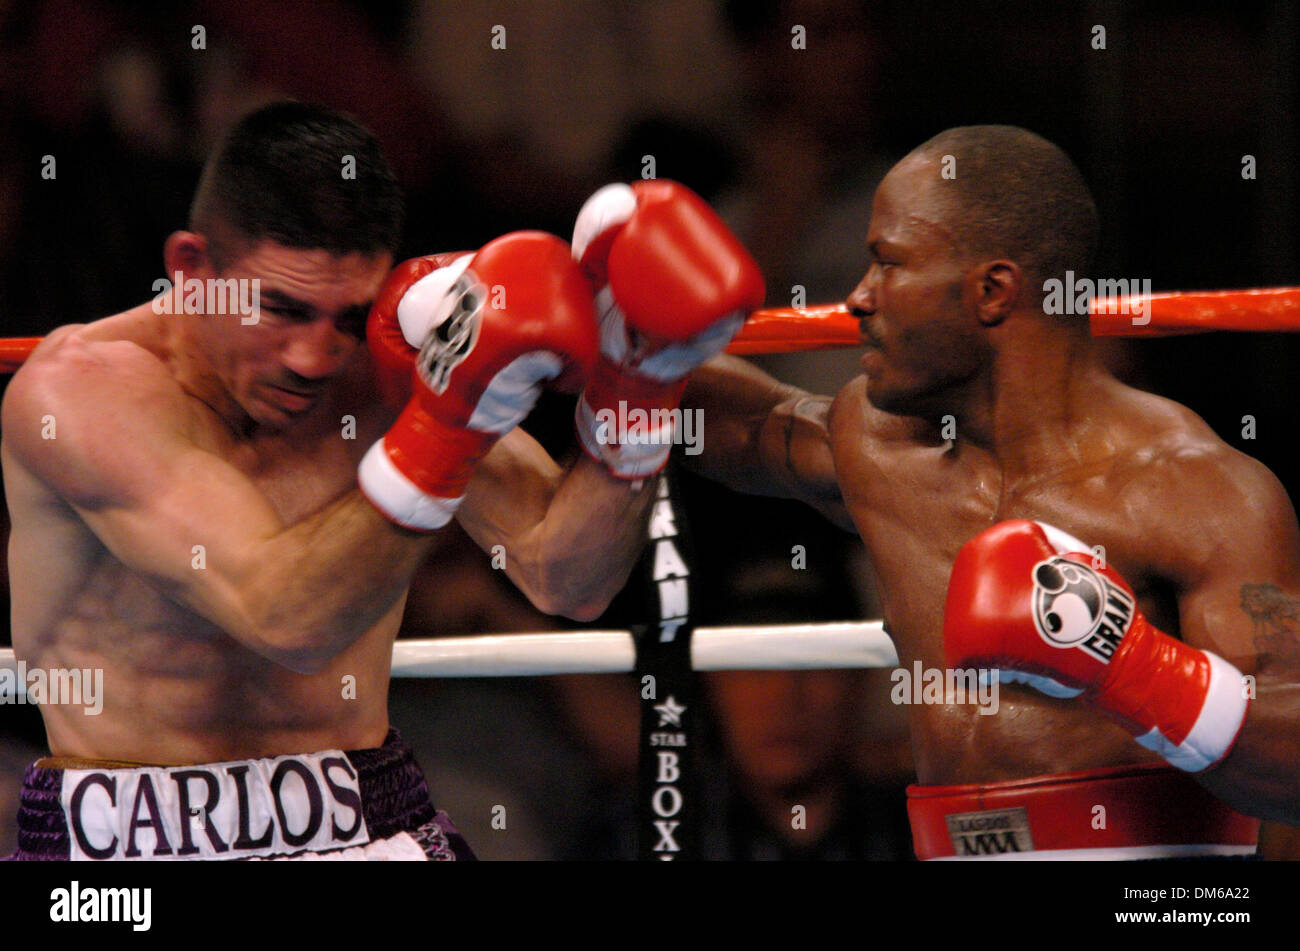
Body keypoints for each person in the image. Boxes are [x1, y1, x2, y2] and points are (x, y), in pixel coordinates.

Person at [0, 101, 760, 860]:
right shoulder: (80, 394)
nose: (313, 357)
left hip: (361, 818)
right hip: (124, 845)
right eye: (282, 308)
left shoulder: (380, 364)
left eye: (345, 317)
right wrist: (447, 424)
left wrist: (637, 394)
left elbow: (567, 576)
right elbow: (280, 613)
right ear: (192, 269)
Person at [685, 124, 1300, 858]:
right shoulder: (885, 447)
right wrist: (618, 352)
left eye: (888, 264)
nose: (858, 296)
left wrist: (1131, 665)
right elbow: (745, 431)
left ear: (992, 290)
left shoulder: (1197, 490)